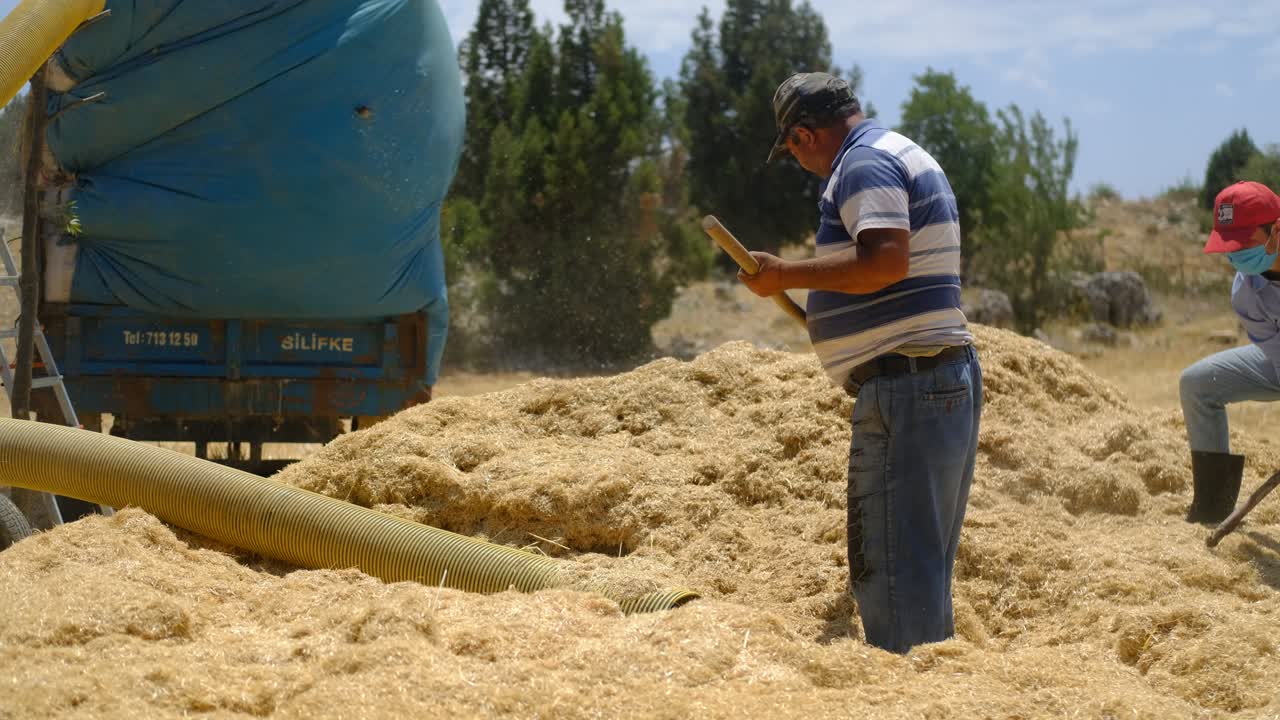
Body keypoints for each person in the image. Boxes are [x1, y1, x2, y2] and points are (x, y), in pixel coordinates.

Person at [738, 72, 982, 653]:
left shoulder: (863, 165)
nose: (800, 163)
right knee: (919, 564)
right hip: (930, 380)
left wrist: (784, 275)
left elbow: (885, 263)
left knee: (894, 566)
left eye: (792, 150)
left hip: (909, 386)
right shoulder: (894, 151)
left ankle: (906, 691)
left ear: (801, 135)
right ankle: (928, 682)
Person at [1179, 181, 1280, 524]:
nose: (1235, 254)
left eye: (1242, 243)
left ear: (1276, 229)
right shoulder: (1246, 291)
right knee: (1196, 384)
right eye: (1228, 245)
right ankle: (1212, 506)